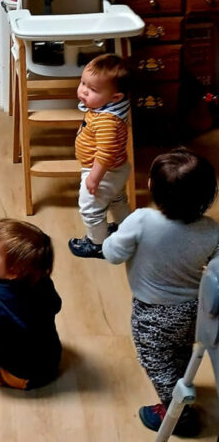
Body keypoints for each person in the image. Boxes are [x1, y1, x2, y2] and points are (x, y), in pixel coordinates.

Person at [101, 147, 219, 437]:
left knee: (156, 360)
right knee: (179, 351)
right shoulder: (211, 229)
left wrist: (112, 238)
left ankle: (177, 411)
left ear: (152, 187)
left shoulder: (141, 220)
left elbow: (112, 254)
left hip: (152, 312)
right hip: (196, 309)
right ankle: (179, 383)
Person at [0, 219, 61, 389]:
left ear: (14, 271)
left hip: (22, 374)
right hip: (50, 362)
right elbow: (56, 304)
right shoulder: (42, 279)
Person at [68, 53, 132, 258]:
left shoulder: (107, 121)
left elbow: (105, 153)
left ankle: (97, 244)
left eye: (92, 89)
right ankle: (126, 229)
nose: (83, 90)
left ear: (116, 97)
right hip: (118, 169)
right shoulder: (106, 108)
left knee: (90, 208)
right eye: (83, 83)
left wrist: (94, 177)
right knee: (117, 199)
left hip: (103, 172)